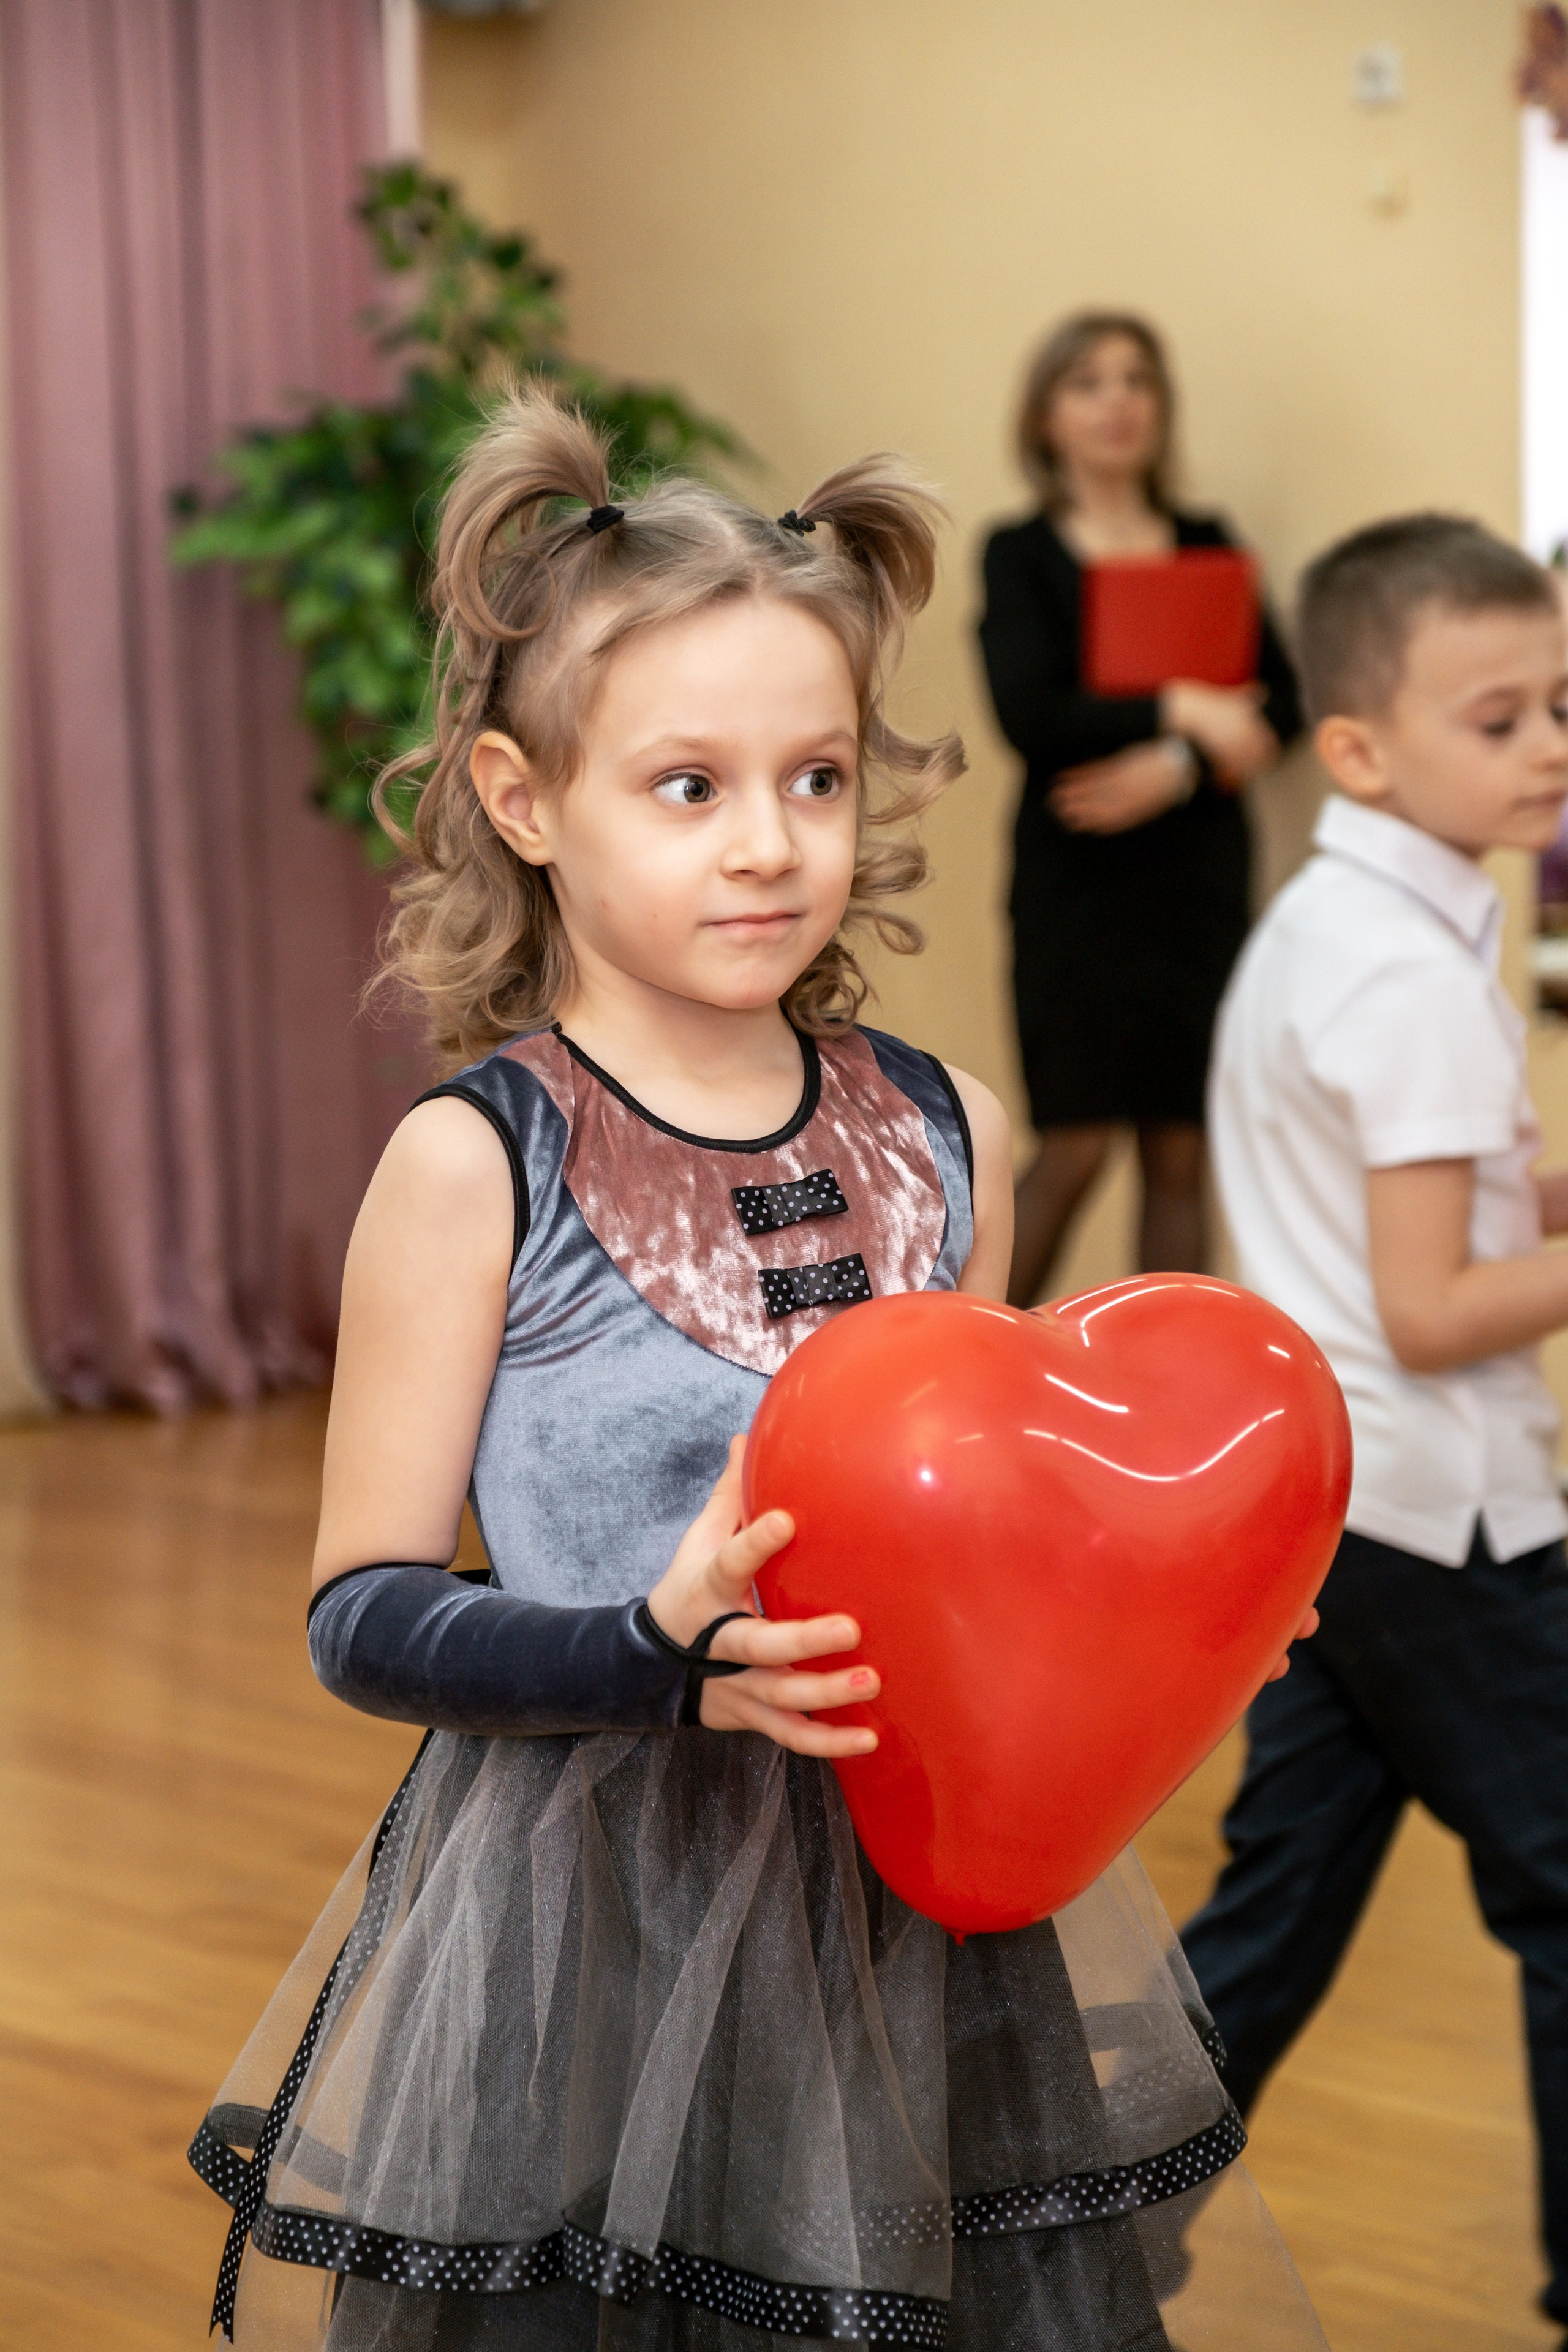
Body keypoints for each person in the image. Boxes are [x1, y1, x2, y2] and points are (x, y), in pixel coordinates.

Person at [188, 383, 1324, 2351]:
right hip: (599, 1917)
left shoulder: (949, 1124)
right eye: (688, 787)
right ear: (525, 800)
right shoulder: (478, 1165)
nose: (769, 845)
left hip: (920, 1920)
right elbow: (361, 1618)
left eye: (816, 777)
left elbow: (1008, 1514)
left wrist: (1174, 1596)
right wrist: (653, 1642)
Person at [1180, 514, 1568, 2340]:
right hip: (1443, 1520)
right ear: (1359, 747)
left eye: (1559, 704)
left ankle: (1061, 2242)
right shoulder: (1413, 978)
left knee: (1267, 1927)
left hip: (1330, 1510)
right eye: (1500, 720)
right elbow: (1431, 1311)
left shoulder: (1331, 922)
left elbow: (1415, 1218)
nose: (1551, 748)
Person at [978, 312, 1302, 1306]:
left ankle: (1170, 1405)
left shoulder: (1209, 543)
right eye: (1088, 383)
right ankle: (967, 1365)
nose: (1118, 402)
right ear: (1045, 417)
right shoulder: (1021, 553)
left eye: (1137, 381)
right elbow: (1030, 714)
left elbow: (1279, 707)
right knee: (1073, 1143)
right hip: (1077, 887)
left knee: (1180, 1147)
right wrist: (1184, 705)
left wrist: (1176, 765)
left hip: (1194, 884)